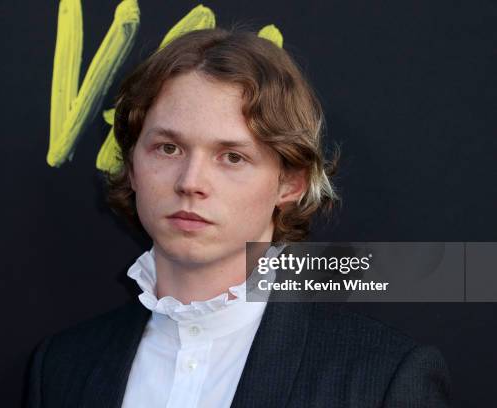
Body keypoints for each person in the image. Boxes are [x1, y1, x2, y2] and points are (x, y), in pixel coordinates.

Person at [26, 28, 451, 407]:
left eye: (232, 157)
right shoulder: (62, 367)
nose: (191, 182)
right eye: (168, 148)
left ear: (291, 184)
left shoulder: (382, 380)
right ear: (133, 166)